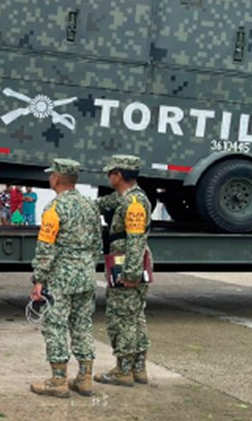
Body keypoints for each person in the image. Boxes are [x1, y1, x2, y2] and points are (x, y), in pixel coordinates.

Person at [29, 159, 101, 398]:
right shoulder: (90, 206)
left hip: (61, 279)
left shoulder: (54, 208)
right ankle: (85, 378)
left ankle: (58, 380)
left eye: (52, 175)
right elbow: (97, 244)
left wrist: (39, 279)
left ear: (56, 178)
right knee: (83, 325)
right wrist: (86, 266)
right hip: (86, 275)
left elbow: (45, 248)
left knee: (55, 325)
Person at [95, 155, 153, 387]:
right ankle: (138, 368)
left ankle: (123, 370)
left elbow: (135, 240)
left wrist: (131, 274)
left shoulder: (134, 203)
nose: (108, 177)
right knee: (135, 316)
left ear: (118, 175)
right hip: (128, 261)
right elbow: (103, 203)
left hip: (127, 263)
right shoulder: (126, 197)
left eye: (110, 173)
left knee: (122, 318)